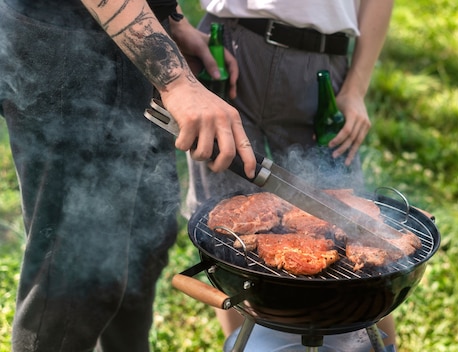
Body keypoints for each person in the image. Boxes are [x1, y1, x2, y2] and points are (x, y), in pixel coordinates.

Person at [0, 0, 256, 351]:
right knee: (75, 275)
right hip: (68, 52)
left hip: (130, 46)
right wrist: (177, 80)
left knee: (145, 245)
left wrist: (171, 19)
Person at [183, 0, 397, 348]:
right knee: (225, 240)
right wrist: (178, 25)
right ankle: (245, 344)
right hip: (226, 50)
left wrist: (356, 89)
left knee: (359, 231)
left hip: (321, 67)